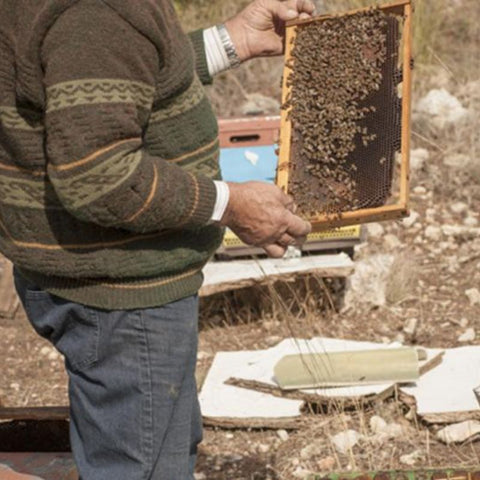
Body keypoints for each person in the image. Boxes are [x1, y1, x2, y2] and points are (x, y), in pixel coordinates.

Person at [0, 0, 314, 478]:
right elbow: (100, 175)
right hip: (123, 299)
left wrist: (228, 42)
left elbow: (106, 82)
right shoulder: (96, 12)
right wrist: (229, 205)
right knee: (142, 467)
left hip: (102, 289)